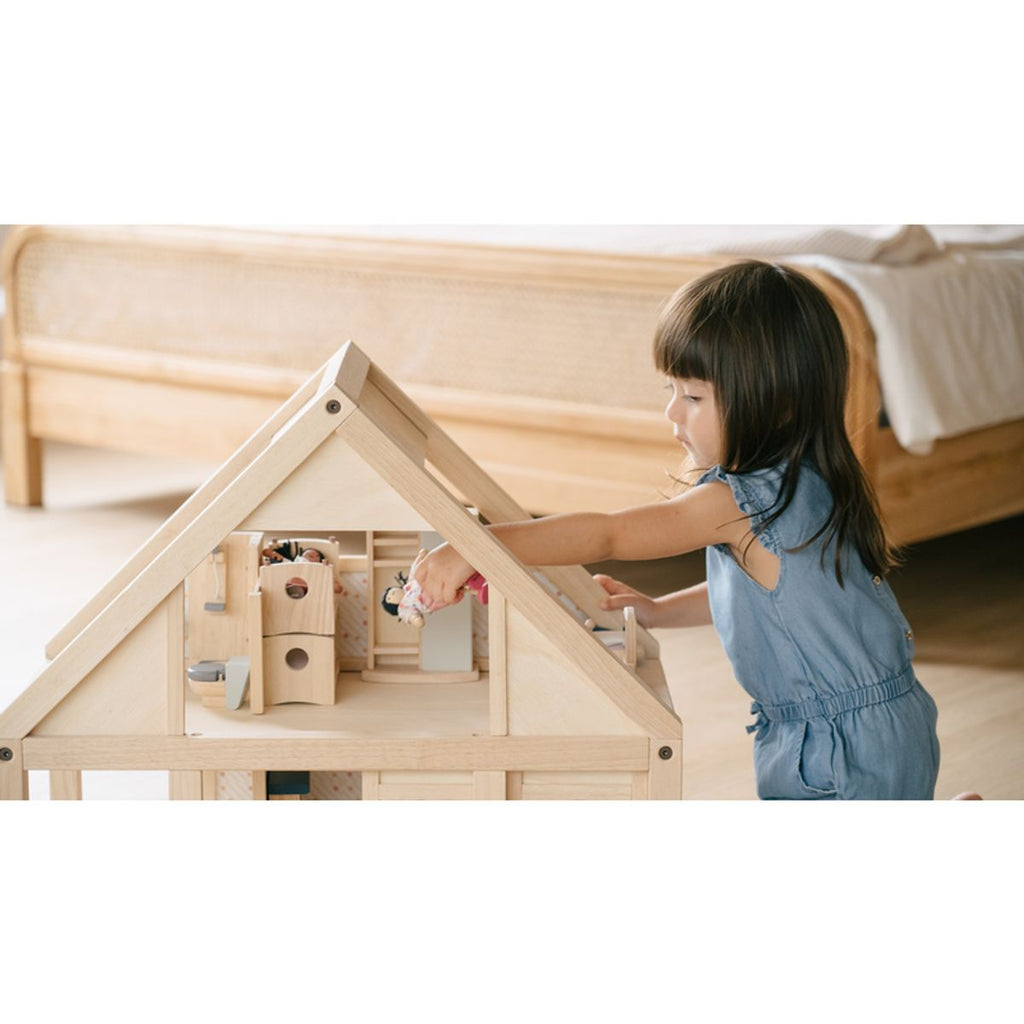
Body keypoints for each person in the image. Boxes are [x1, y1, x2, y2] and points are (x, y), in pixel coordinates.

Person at [413, 259, 943, 800]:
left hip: (838, 746)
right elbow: (770, 599)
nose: (672, 412)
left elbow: (609, 535)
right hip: (877, 726)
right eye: (671, 389)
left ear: (777, 403)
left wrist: (478, 547)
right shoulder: (807, 477)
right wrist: (660, 610)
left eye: (693, 397)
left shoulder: (737, 502)